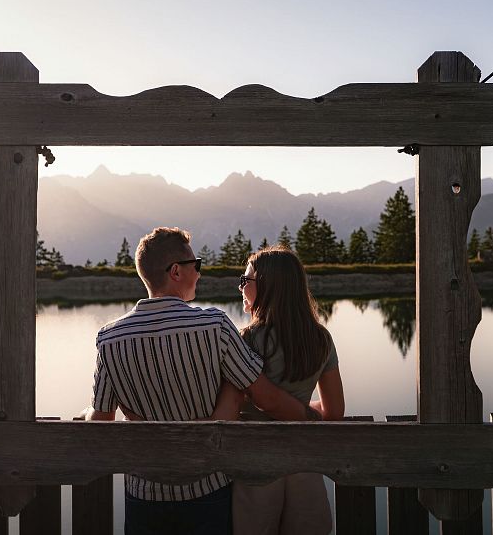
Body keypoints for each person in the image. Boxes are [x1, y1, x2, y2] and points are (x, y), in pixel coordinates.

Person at [81, 227, 312, 535]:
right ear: (176, 271)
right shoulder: (214, 326)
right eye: (196, 265)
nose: (200, 274)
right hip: (208, 491)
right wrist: (314, 417)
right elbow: (264, 397)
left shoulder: (109, 338)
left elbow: (101, 422)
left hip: (145, 496)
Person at [232, 246, 345, 535]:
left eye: (246, 281)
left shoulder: (246, 340)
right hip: (303, 463)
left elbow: (232, 410)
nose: (241, 287)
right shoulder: (320, 339)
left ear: (268, 286)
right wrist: (306, 411)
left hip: (255, 465)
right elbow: (334, 412)